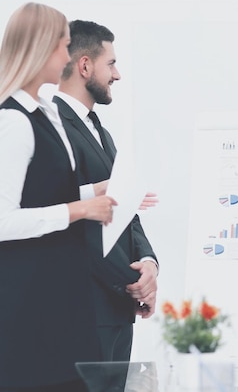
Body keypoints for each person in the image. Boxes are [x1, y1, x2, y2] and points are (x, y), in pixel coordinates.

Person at [0, 3, 117, 391]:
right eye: (64, 46)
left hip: (62, 298)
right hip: (30, 305)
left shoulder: (46, 111)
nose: (69, 56)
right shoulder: (13, 120)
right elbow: (3, 220)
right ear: (42, 49)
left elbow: (43, 192)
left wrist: (98, 192)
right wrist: (82, 208)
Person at [53, 20, 159, 362]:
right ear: (85, 65)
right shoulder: (52, 129)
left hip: (115, 310)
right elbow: (64, 215)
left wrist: (148, 264)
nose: (117, 75)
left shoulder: (102, 132)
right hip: (81, 308)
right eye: (111, 63)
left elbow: (124, 208)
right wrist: (130, 282)